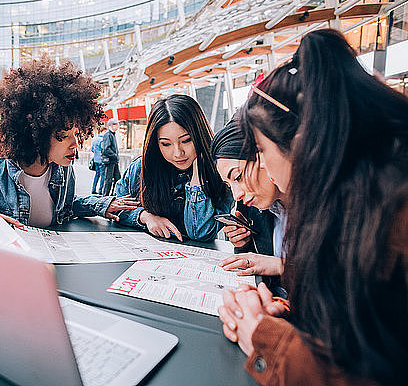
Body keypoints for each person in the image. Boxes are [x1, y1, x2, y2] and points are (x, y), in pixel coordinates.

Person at [218, 29, 408, 385]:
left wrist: (265, 338)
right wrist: (286, 311)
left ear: (306, 147)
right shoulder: (357, 205)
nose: (265, 170)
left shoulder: (394, 222)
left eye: (260, 151)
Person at [0, 57, 138, 227]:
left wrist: (102, 205)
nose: (75, 145)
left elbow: (66, 206)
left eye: (76, 134)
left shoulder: (63, 169)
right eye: (62, 136)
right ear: (34, 134)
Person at [114, 94, 230, 241]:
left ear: (199, 135)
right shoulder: (141, 168)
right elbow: (117, 209)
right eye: (166, 144)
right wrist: (146, 217)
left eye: (186, 140)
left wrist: (197, 181)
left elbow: (201, 232)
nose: (178, 153)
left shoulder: (221, 172)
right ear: (156, 144)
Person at [210, 120, 286, 294]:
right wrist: (244, 243)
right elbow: (259, 264)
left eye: (237, 177)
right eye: (229, 186)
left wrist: (280, 265)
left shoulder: (328, 205)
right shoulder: (252, 205)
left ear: (264, 155)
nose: (237, 194)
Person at [102, 118, 121, 196]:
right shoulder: (108, 134)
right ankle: (105, 196)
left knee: (118, 179)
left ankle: (115, 194)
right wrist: (115, 156)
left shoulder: (112, 134)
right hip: (110, 161)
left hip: (113, 161)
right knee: (108, 180)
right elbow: (106, 149)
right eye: (116, 124)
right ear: (111, 125)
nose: (118, 126)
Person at [90, 124, 106, 194]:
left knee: (97, 175)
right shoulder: (102, 140)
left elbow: (92, 149)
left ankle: (93, 189)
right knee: (102, 176)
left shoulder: (94, 139)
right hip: (101, 160)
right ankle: (100, 190)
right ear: (103, 131)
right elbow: (103, 150)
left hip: (95, 159)